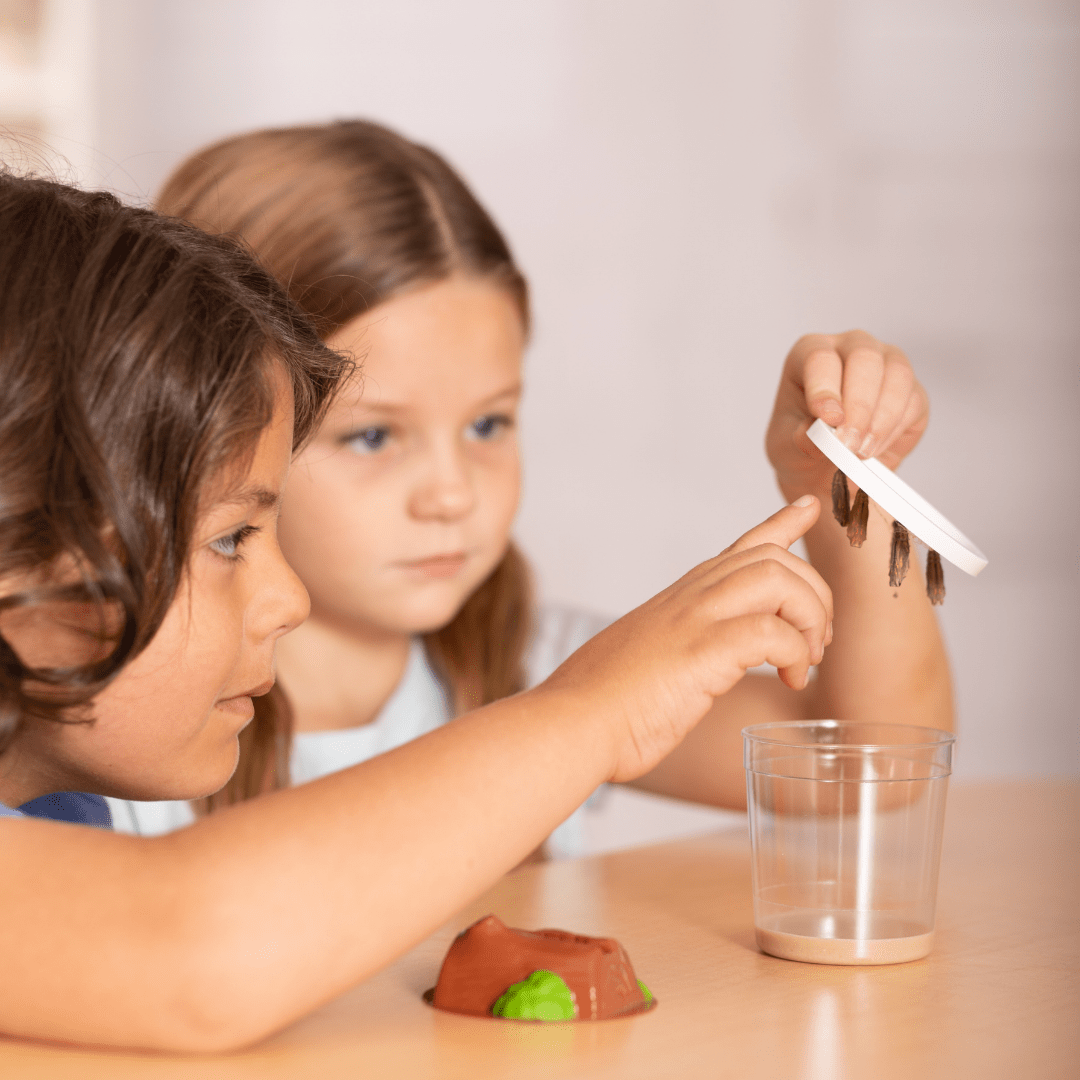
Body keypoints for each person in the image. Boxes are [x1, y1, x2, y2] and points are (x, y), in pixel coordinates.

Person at [0, 168, 833, 1051]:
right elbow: (194, 953)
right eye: (230, 540)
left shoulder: (57, 819)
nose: (290, 600)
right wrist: (591, 714)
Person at [108, 121, 951, 839]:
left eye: (487, 424)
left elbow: (870, 764)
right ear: (204, 433)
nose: (452, 494)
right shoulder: (122, 732)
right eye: (372, 436)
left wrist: (848, 482)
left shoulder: (543, 670)